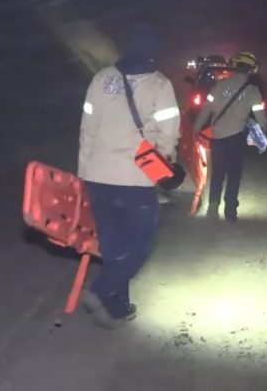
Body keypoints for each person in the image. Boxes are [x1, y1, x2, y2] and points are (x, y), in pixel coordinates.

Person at [77, 24, 180, 329]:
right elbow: (169, 134)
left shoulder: (101, 79)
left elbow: (88, 129)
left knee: (113, 245)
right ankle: (100, 291)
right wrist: (163, 166)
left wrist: (84, 172)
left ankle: (116, 307)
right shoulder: (160, 85)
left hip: (98, 176)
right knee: (140, 244)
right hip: (135, 179)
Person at [194, 51, 267, 222]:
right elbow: (260, 117)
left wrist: (197, 127)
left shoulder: (219, 86)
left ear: (234, 68)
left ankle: (213, 207)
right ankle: (230, 211)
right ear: (251, 70)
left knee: (218, 173)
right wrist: (261, 136)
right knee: (234, 174)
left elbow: (206, 109)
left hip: (218, 137)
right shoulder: (253, 91)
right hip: (237, 139)